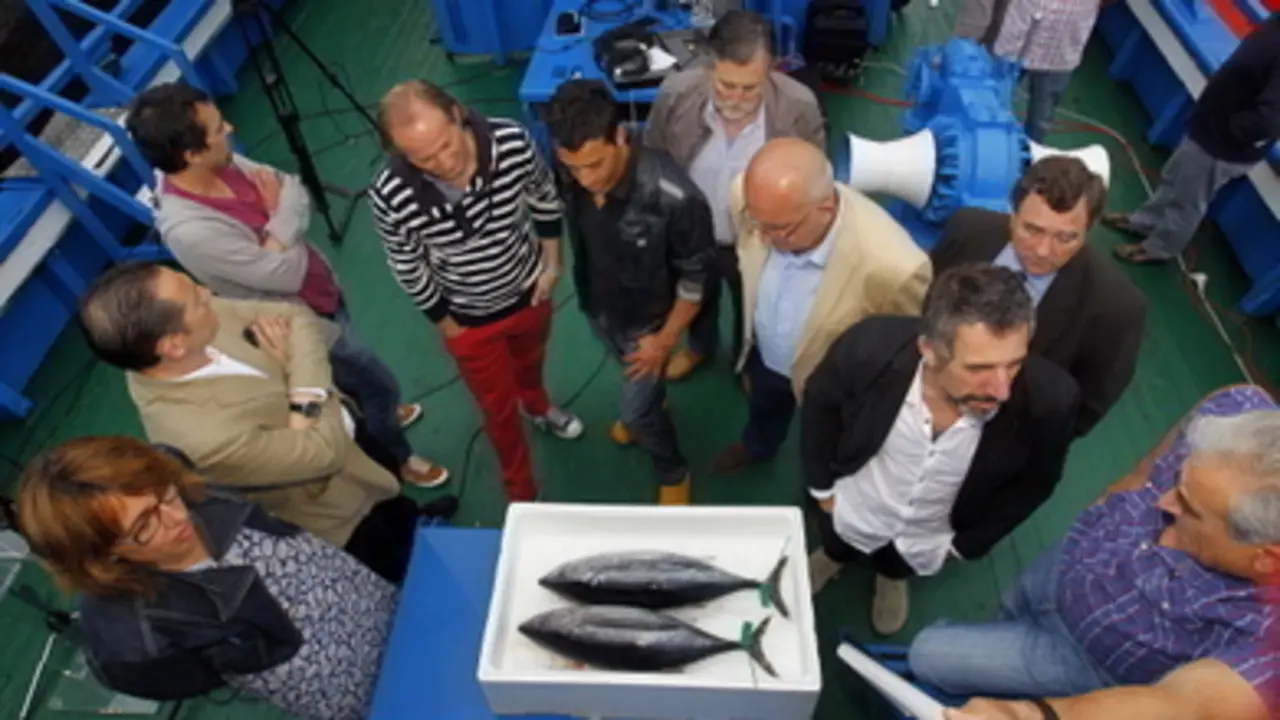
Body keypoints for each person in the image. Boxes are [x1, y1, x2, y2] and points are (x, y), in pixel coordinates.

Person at [126, 82, 446, 488]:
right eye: (218, 128)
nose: (230, 128)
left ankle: (375, 408)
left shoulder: (223, 164)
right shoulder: (191, 231)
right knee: (376, 379)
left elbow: (292, 189)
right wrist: (281, 222)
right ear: (191, 154)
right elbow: (285, 275)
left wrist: (275, 239)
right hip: (300, 321)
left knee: (353, 376)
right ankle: (399, 456)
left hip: (321, 291)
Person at [909, 384, 1280, 720]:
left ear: (1267, 558)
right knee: (1009, 608)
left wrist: (1029, 716)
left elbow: (1182, 707)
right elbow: (1151, 464)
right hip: (1068, 560)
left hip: (1083, 659)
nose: (1163, 501)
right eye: (1178, 481)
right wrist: (1116, 494)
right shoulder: (1238, 410)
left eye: (1188, 506)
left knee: (926, 654)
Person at [78, 263, 454, 584]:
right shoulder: (201, 435)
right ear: (173, 346)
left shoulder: (188, 326)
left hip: (352, 438)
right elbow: (323, 455)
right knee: (399, 558)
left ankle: (420, 525)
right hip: (338, 505)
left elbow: (295, 316)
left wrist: (302, 405)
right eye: (195, 297)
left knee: (395, 499)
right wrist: (294, 371)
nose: (207, 292)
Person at [15, 436, 395, 720]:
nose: (178, 516)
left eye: (164, 493)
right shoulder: (132, 642)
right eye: (144, 526)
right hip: (341, 682)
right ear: (101, 554)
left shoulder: (181, 485)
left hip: (366, 598)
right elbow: (175, 677)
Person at [803, 264, 1078, 636]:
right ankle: (833, 556)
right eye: (979, 368)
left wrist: (966, 545)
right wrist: (822, 489)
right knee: (837, 536)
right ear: (928, 350)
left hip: (929, 535)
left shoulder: (1051, 402)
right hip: (857, 503)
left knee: (899, 561)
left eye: (1014, 365)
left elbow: (1036, 483)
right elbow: (821, 402)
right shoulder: (868, 348)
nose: (1002, 391)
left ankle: (891, 575)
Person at [369, 81, 584, 504]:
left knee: (531, 361)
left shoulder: (511, 141)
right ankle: (521, 491)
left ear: (458, 114)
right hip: (468, 320)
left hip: (530, 291)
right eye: (422, 158)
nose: (443, 163)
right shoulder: (390, 194)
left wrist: (551, 264)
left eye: (446, 145)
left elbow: (543, 196)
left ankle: (538, 405)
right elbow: (407, 265)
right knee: (498, 411)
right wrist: (449, 325)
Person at [708, 137, 931, 476]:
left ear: (824, 209)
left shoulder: (894, 269)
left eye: (780, 229)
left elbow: (895, 351)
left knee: (828, 445)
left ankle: (819, 485)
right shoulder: (753, 198)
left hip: (830, 383)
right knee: (765, 406)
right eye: (759, 224)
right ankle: (758, 445)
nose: (765, 238)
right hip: (766, 355)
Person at [543, 79, 715, 506]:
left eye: (595, 164)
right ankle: (651, 400)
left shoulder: (677, 198)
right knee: (636, 381)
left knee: (637, 411)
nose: (585, 179)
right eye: (573, 167)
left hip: (651, 324)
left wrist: (664, 340)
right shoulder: (570, 169)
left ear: (620, 135)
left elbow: (697, 277)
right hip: (599, 306)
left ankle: (673, 469)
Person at [645, 9, 826, 379]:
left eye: (750, 87)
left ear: (771, 69)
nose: (737, 97)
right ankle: (700, 347)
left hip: (761, 240)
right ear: (709, 66)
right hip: (692, 236)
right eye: (726, 84)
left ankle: (748, 361)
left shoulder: (799, 108)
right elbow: (655, 157)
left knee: (757, 305)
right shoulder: (675, 94)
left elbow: (815, 176)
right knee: (698, 296)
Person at [932, 156, 1146, 437]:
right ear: (1013, 214)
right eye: (1032, 230)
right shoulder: (967, 230)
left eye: (1066, 238)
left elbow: (1083, 410)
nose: (1043, 250)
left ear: (1088, 231)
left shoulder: (1115, 308)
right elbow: (927, 310)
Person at [1105, 14, 1280, 265]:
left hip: (1221, 145)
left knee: (1187, 202)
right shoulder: (1274, 27)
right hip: (1207, 129)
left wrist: (1232, 130)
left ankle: (1158, 249)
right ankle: (1145, 221)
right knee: (1173, 178)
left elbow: (1270, 119)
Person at [953, 0, 1111, 142]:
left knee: (1040, 120)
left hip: (1060, 56)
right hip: (1015, 48)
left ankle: (1030, 155)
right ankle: (978, 142)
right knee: (991, 100)